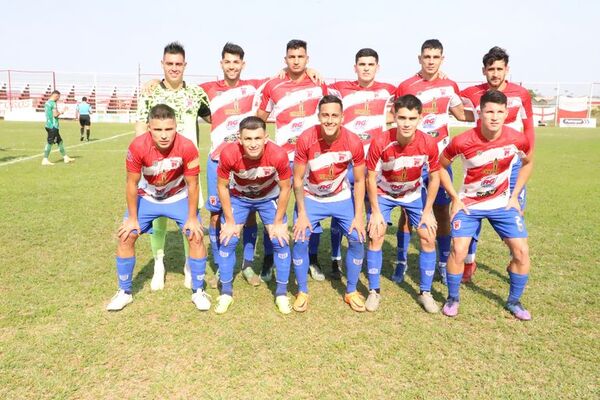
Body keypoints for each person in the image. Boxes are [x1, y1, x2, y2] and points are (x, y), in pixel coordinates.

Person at [106, 104, 211, 312]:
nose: (164, 135)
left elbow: (193, 184)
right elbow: (131, 184)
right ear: (148, 128)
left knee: (196, 234)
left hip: (177, 196)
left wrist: (192, 217)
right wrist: (133, 218)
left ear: (176, 127)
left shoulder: (187, 146)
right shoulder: (137, 146)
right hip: (148, 197)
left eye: (169, 129)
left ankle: (198, 291)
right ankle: (124, 292)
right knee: (127, 235)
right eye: (158, 129)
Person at [439, 90, 533, 320]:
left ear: (506, 114)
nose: (494, 116)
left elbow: (528, 162)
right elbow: (440, 166)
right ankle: (453, 298)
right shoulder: (462, 141)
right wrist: (455, 197)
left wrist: (515, 195)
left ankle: (514, 301)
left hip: (502, 204)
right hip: (469, 206)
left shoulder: (517, 138)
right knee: (458, 250)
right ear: (479, 113)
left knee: (522, 252)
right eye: (489, 111)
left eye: (500, 112)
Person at [136, 42, 211, 292]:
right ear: (162, 64)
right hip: (156, 172)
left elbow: (216, 116)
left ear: (185, 65)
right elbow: (139, 130)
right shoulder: (149, 93)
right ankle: (159, 264)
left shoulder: (197, 94)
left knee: (191, 219)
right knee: (157, 221)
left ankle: (190, 265)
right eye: (170, 64)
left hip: (187, 170)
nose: (174, 68)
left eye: (179, 64)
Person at [459, 46, 535, 283]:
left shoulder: (521, 94)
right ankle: (469, 262)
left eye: (499, 68)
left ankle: (517, 259)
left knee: (514, 211)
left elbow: (529, 125)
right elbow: (454, 104)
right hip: (481, 164)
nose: (495, 73)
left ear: (507, 70)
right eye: (491, 69)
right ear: (484, 70)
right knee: (474, 210)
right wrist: (441, 75)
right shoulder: (472, 93)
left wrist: (528, 155)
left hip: (511, 165)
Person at [393, 39, 466, 285]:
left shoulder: (450, 85)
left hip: (440, 160)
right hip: (411, 159)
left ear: (442, 59)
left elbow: (461, 113)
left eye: (436, 57)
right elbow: (393, 116)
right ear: (420, 58)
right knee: (407, 211)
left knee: (442, 212)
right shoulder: (406, 85)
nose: (431, 61)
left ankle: (444, 264)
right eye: (427, 56)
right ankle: (401, 262)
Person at [200, 43, 272, 288]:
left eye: (236, 62)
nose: (232, 66)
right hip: (218, 161)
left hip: (244, 162)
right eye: (227, 61)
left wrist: (311, 69)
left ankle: (248, 265)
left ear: (243, 64)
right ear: (221, 63)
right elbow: (177, 88)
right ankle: (222, 267)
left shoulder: (254, 87)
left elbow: (285, 76)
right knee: (216, 214)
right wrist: (153, 84)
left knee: (249, 213)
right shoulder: (206, 90)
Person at [257, 39, 328, 282]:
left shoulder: (319, 84)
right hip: (281, 159)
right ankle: (269, 258)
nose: (296, 61)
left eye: (300, 57)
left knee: (308, 209)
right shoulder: (273, 85)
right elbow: (260, 118)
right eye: (292, 57)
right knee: (273, 210)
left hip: (311, 160)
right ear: (285, 59)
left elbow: (332, 112)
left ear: (307, 59)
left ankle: (312, 257)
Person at [365, 95, 440, 312]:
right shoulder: (380, 141)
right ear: (395, 117)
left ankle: (425, 292)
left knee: (427, 235)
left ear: (420, 118)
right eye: (402, 118)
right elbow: (370, 177)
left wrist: (428, 212)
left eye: (412, 118)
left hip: (413, 194)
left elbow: (434, 178)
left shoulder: (428, 143)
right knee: (376, 233)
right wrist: (376, 211)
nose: (407, 123)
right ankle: (374, 291)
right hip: (384, 192)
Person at [291, 95, 366, 312]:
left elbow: (360, 180)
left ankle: (351, 291)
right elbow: (297, 179)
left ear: (342, 117)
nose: (330, 120)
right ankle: (302, 291)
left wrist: (359, 216)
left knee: (357, 238)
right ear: (318, 116)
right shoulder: (306, 138)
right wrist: (302, 213)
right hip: (312, 197)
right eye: (325, 115)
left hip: (340, 197)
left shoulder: (353, 141)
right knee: (301, 239)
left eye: (334, 115)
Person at [327, 47, 396, 280]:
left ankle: (366, 257)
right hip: (347, 164)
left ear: (378, 67)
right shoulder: (340, 89)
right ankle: (336, 259)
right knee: (341, 212)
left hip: (375, 164)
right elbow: (315, 90)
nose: (366, 68)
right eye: (362, 64)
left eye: (370, 64)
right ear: (355, 67)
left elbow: (411, 99)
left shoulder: (389, 91)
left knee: (370, 211)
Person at [215, 116, 292, 314]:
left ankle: (282, 294)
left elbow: (285, 188)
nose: (253, 144)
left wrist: (277, 223)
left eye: (258, 138)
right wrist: (230, 221)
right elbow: (222, 186)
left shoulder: (279, 154)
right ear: (239, 139)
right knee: (228, 238)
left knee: (280, 239)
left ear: (266, 137)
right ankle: (226, 293)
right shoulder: (229, 154)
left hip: (269, 197)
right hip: (240, 197)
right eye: (248, 139)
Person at [41, 90, 75, 165]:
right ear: (55, 96)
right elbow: (55, 115)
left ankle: (65, 157)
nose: (58, 99)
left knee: (60, 141)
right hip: (53, 126)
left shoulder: (47, 102)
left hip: (48, 125)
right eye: (58, 97)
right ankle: (45, 159)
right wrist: (62, 111)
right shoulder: (53, 103)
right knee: (50, 142)